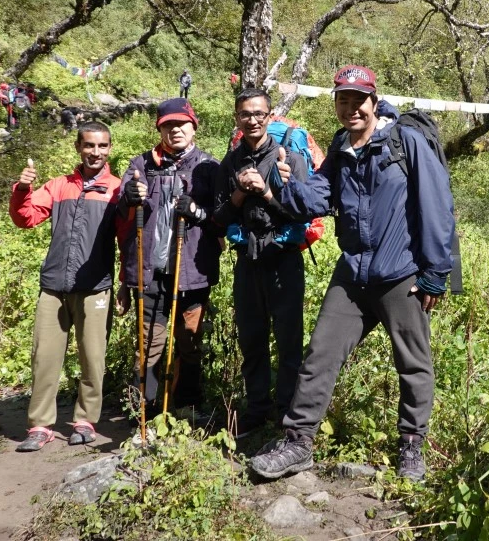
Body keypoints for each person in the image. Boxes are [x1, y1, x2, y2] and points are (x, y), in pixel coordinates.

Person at [249, 65, 455, 481]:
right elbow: (318, 197)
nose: (351, 108)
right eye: (343, 100)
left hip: (401, 273)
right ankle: (298, 442)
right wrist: (288, 183)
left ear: (374, 102)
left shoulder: (405, 141)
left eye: (358, 100)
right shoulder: (341, 146)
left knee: (413, 362)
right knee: (320, 354)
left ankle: (412, 446)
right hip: (353, 272)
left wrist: (435, 271)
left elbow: (436, 204)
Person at [9, 121, 121, 451]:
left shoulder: (117, 189)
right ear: (78, 147)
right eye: (89, 145)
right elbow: (26, 218)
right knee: (44, 357)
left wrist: (127, 285)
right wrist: (22, 189)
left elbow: (129, 239)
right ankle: (40, 426)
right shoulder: (58, 186)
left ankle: (85, 421)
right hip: (53, 286)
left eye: (102, 146)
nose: (95, 152)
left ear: (109, 148)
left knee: (93, 358)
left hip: (95, 287)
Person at [213, 88, 315, 438]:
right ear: (237, 118)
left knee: (289, 341)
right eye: (246, 114)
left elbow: (303, 212)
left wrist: (267, 193)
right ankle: (256, 410)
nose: (253, 120)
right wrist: (240, 192)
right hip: (247, 260)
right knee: (251, 338)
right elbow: (219, 216)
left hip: (284, 259)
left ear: (270, 117)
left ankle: (287, 414)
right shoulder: (230, 162)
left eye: (259, 114)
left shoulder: (291, 159)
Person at [116, 98, 221, 422]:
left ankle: (188, 406)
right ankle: (144, 412)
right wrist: (128, 198)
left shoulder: (208, 166)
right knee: (149, 344)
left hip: (192, 273)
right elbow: (120, 210)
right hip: (150, 272)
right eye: (168, 125)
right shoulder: (141, 164)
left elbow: (223, 218)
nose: (175, 130)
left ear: (193, 127)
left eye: (181, 124)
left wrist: (197, 212)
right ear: (159, 129)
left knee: (189, 341)